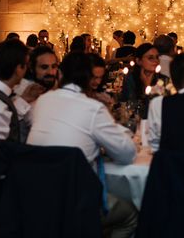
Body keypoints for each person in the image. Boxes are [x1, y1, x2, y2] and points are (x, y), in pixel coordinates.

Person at [27, 51, 138, 238]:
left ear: (60, 74)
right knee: (130, 216)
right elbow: (127, 154)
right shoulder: (93, 108)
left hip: (35, 198)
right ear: (89, 79)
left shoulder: (42, 101)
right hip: (74, 201)